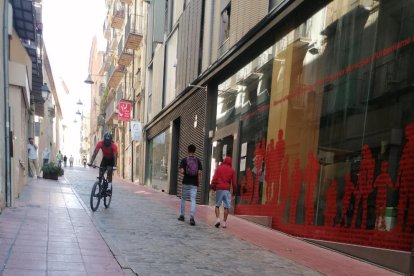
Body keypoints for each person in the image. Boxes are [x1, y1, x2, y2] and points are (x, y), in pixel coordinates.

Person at [178, 144, 202, 226]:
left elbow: (181, 171)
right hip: (194, 183)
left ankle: (182, 215)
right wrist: (198, 183)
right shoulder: (198, 161)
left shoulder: (184, 160)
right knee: (193, 200)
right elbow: (199, 173)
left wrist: (183, 171)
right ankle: (192, 217)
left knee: (183, 199)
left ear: (188, 150)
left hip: (186, 182)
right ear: (194, 151)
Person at [210, 156, 236, 228]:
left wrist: (212, 187)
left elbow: (214, 178)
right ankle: (224, 223)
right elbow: (234, 183)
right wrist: (234, 192)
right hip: (227, 190)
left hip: (219, 188)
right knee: (226, 207)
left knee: (217, 205)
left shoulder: (219, 168)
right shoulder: (232, 170)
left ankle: (218, 219)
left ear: (224, 161)